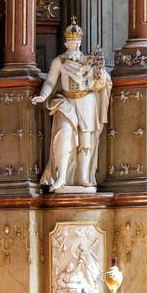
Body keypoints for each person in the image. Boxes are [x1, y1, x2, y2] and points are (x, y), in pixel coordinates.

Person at [33, 20, 111, 189]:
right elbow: (50, 82)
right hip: (66, 101)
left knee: (86, 139)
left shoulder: (88, 61)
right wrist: (43, 95)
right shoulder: (59, 62)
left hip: (86, 101)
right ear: (65, 43)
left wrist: (100, 75)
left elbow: (98, 83)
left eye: (77, 42)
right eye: (71, 42)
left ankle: (83, 177)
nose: (74, 45)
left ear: (80, 43)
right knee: (64, 136)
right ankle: (61, 177)